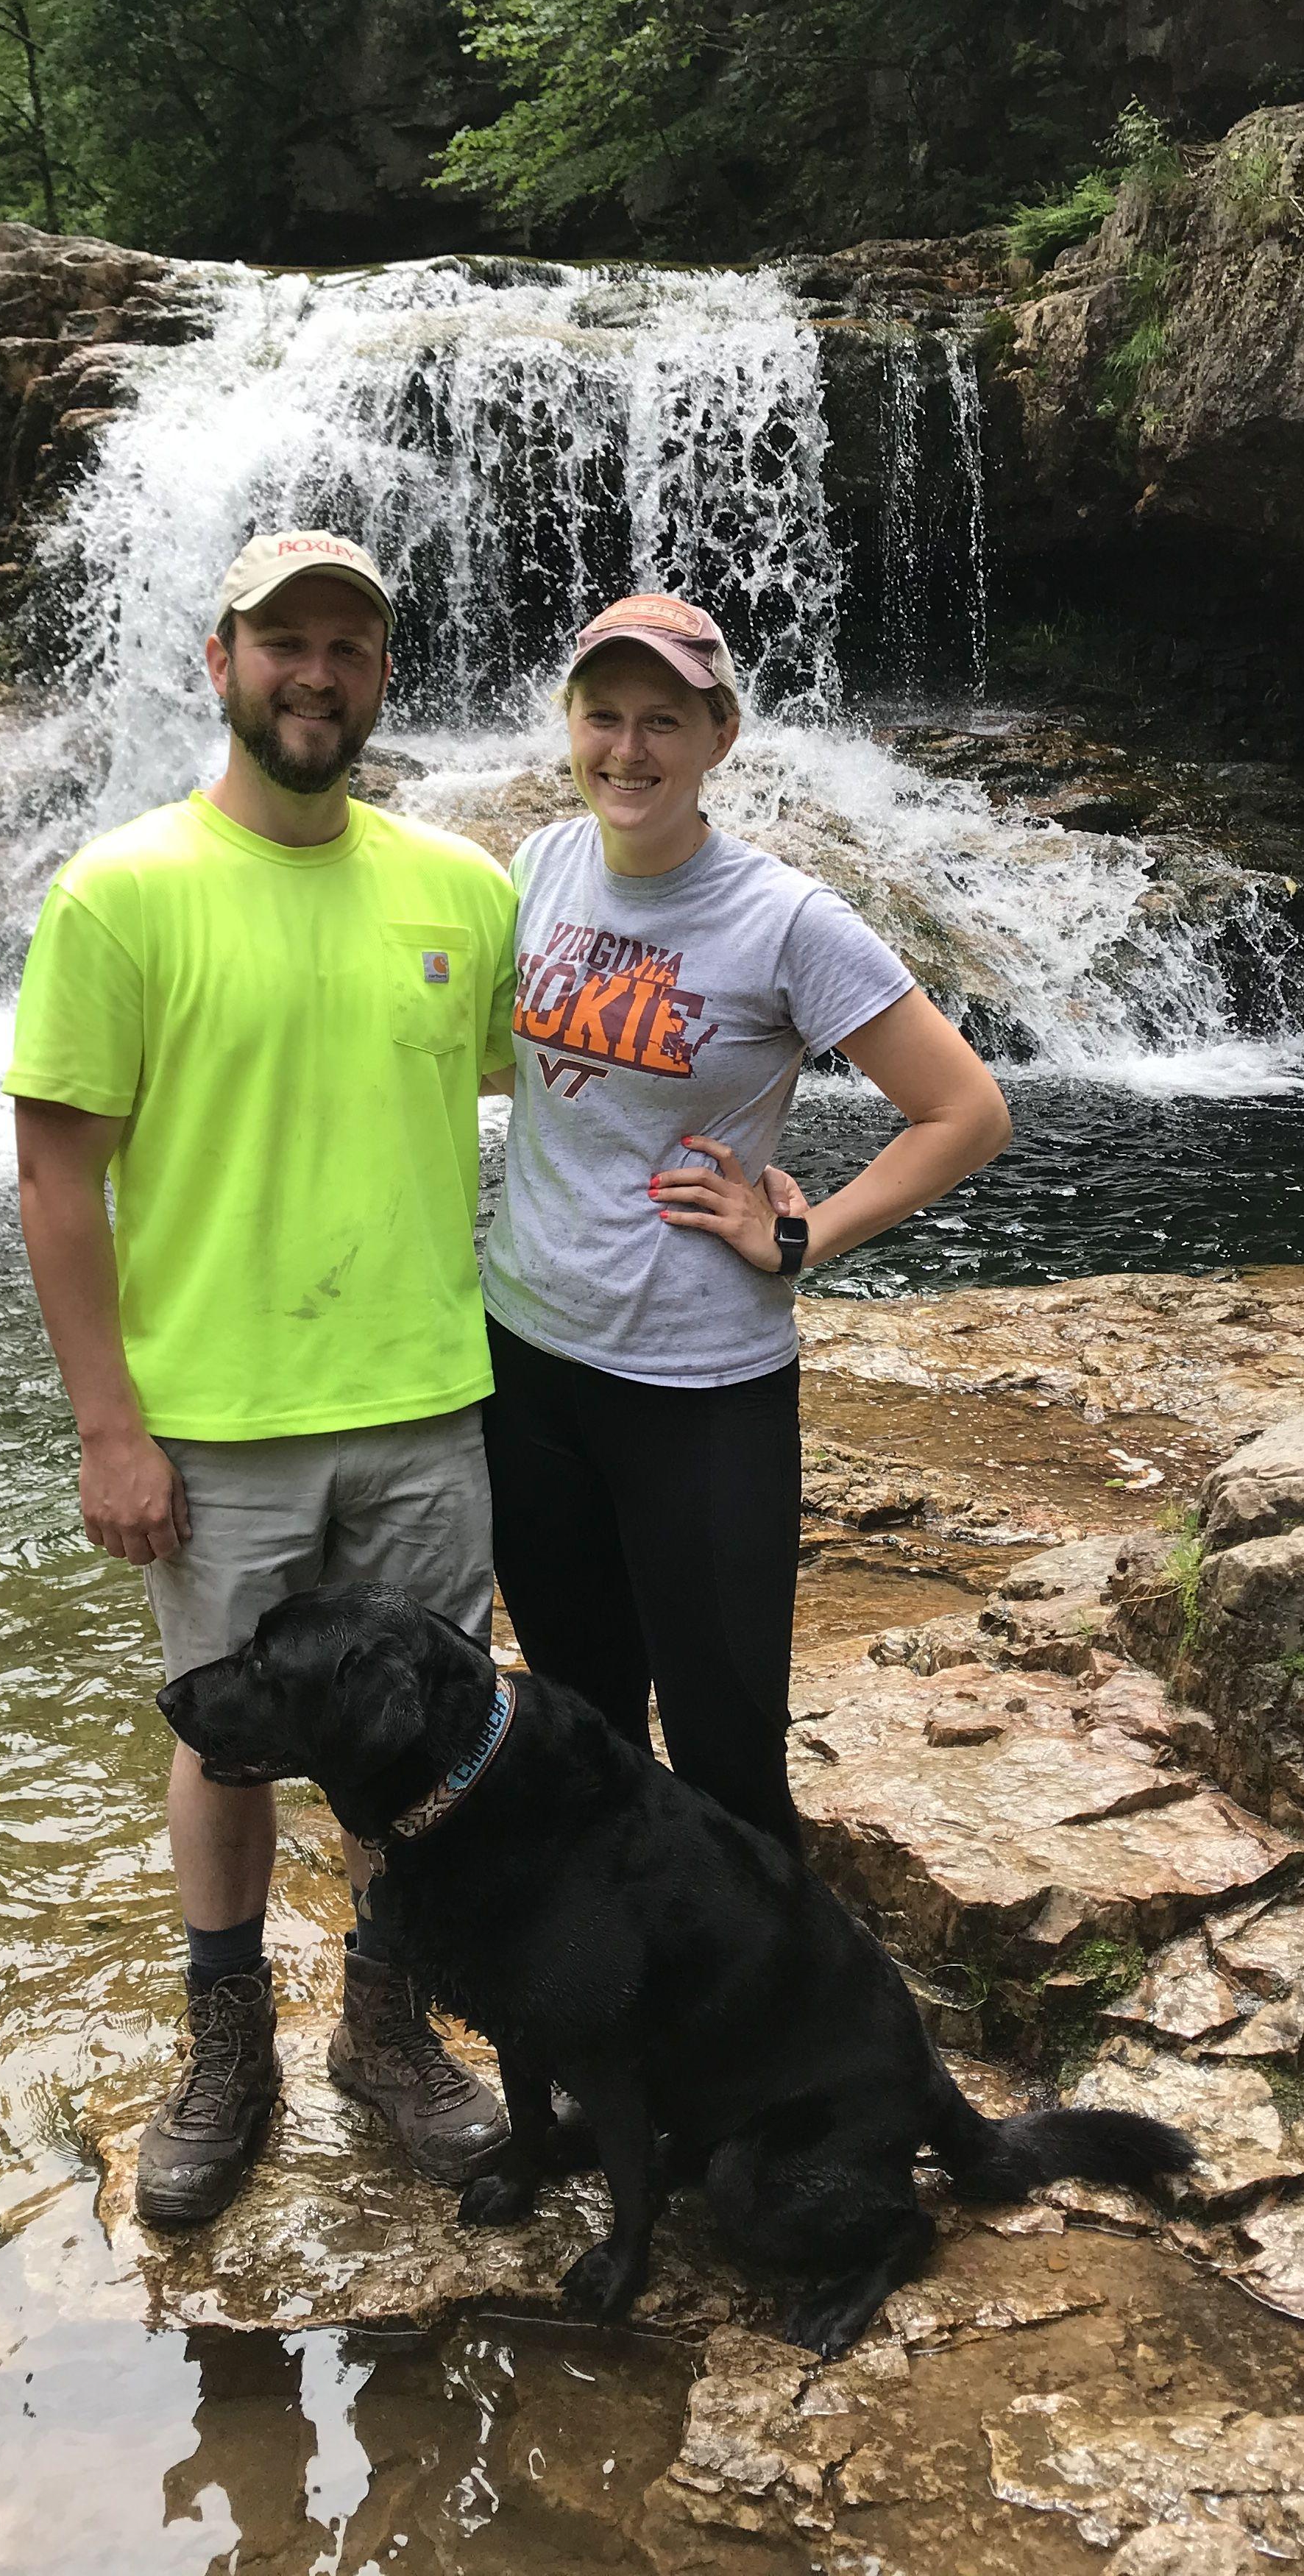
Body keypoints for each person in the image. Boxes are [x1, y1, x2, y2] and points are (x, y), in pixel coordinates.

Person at [4, 526, 518, 2228]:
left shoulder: (465, 888)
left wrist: (760, 1181)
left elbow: (608, 1094)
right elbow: (57, 1176)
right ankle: (229, 2053)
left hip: (427, 1405)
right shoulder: (121, 891)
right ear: (217, 665)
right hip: (215, 1430)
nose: (316, 673)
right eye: (282, 641)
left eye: (349, 647)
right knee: (226, 1747)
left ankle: (389, 2030)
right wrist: (111, 1428)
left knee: (429, 1751)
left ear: (383, 677)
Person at [481, 592, 1013, 1850]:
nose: (628, 750)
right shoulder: (540, 866)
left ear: (720, 735)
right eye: (602, 717)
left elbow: (966, 1112)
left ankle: (772, 2030)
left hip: (698, 1385)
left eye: (663, 720)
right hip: (526, 1361)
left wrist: (802, 1232)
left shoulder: (785, 917)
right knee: (583, 1733)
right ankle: (616, 2015)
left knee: (729, 1760)